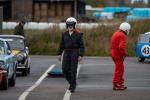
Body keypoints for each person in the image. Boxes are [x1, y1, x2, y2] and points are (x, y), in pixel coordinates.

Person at [58, 17, 85, 93]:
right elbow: (61, 44)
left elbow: (82, 46)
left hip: (74, 53)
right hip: (66, 53)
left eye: (71, 25)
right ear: (67, 25)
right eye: (69, 25)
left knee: (73, 70)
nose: (70, 26)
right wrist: (59, 54)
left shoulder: (78, 34)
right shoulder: (64, 33)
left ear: (74, 25)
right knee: (64, 69)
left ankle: (72, 86)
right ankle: (73, 83)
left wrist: (81, 55)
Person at [111, 22, 131, 90]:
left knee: (121, 69)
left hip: (113, 53)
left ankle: (120, 83)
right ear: (126, 29)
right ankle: (116, 84)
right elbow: (121, 47)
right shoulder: (122, 35)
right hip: (118, 55)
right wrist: (125, 54)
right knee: (119, 70)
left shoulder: (115, 33)